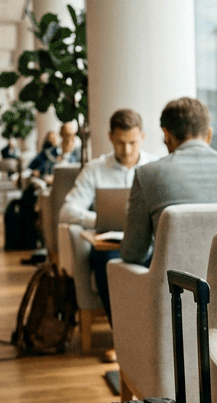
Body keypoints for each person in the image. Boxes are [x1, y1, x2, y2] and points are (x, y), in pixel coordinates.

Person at [119, 97, 217, 267]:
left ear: (166, 135)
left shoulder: (147, 174)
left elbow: (133, 253)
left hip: (174, 289)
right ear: (208, 134)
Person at [61, 108, 157, 330]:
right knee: (107, 263)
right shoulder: (95, 170)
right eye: (120, 143)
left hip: (149, 243)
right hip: (110, 245)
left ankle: (152, 333)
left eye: (133, 142)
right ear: (110, 137)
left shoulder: (156, 168)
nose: (126, 150)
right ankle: (123, 336)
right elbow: (67, 210)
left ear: (142, 137)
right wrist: (100, 220)